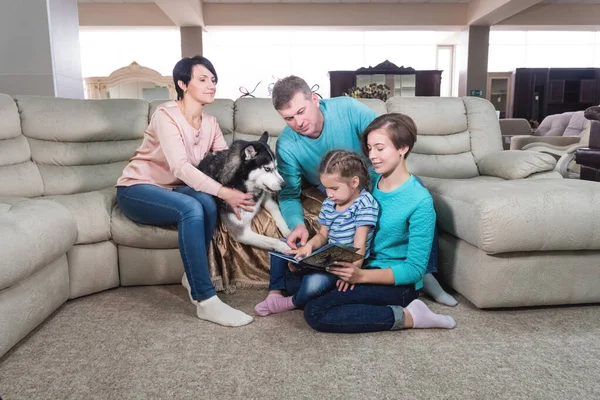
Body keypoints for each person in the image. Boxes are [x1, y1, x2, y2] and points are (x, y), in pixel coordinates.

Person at [272, 75, 457, 307]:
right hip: (332, 186)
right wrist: (297, 224)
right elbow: (289, 193)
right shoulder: (286, 145)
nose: (298, 122)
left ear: (315, 100)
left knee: (416, 189)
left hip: (372, 173)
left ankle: (425, 273)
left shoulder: (347, 108)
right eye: (289, 118)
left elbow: (384, 136)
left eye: (301, 111)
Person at [115, 56, 255, 327]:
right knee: (191, 207)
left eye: (213, 80)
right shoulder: (165, 116)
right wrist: (226, 192)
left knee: (207, 202)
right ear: (182, 83)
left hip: (176, 190)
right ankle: (206, 301)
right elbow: (180, 167)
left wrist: (245, 185)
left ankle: (192, 276)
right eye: (202, 79)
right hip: (137, 189)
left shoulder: (211, 123)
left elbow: (225, 163)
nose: (211, 85)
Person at [302, 113, 457, 333]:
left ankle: (410, 316)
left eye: (380, 148)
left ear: (403, 148)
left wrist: (361, 276)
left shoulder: (420, 201)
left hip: (394, 283)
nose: (372, 156)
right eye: (369, 148)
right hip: (359, 266)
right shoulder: (367, 182)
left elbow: (414, 269)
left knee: (316, 312)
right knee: (302, 288)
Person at [254, 150, 379, 316]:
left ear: (354, 182)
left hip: (345, 262)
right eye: (326, 188)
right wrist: (308, 247)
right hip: (327, 254)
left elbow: (359, 247)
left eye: (334, 188)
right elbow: (322, 235)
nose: (329, 194)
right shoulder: (329, 203)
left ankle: (291, 302)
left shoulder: (364, 204)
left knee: (314, 283)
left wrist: (351, 274)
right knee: (281, 245)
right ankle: (275, 292)